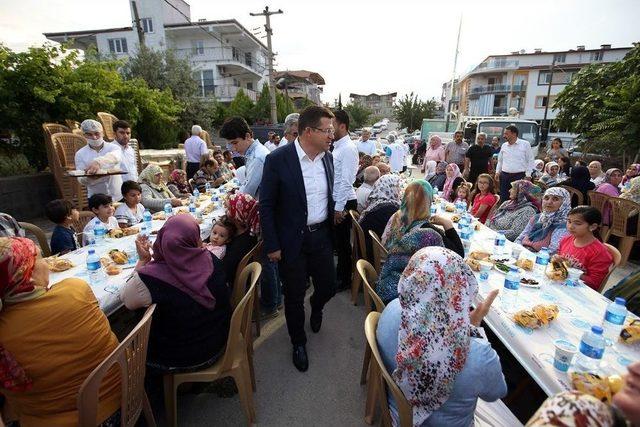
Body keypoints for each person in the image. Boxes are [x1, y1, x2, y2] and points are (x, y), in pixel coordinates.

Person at [377, 247, 505, 427]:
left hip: (396, 413)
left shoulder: (391, 309)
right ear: (461, 289)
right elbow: (496, 393)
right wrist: (474, 329)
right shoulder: (478, 353)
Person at [0, 237, 121, 425]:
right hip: (124, 398)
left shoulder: (5, 331)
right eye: (40, 258)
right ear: (27, 273)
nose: (47, 264)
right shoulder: (75, 289)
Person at [259, 106, 336, 372]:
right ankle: (298, 342)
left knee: (328, 286)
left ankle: (316, 306)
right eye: (327, 131)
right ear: (308, 131)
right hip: (292, 241)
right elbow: (266, 206)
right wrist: (272, 244)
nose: (331, 136)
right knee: (293, 296)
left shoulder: (328, 158)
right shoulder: (278, 159)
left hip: (321, 236)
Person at [120, 215, 231, 371]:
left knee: (132, 324)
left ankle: (156, 389)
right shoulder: (211, 259)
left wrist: (143, 261)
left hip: (185, 355)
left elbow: (126, 299)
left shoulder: (150, 278)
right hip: (220, 338)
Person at [378, 181, 462, 304]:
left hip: (388, 272)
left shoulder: (398, 215)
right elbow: (457, 256)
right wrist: (447, 224)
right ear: (429, 201)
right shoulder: (427, 232)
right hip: (407, 287)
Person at [331, 110, 359, 291]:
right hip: (338, 200)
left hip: (345, 201)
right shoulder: (338, 146)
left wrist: (339, 208)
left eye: (332, 125)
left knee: (342, 244)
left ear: (342, 126)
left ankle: (344, 279)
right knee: (338, 243)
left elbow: (346, 180)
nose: (329, 130)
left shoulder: (348, 148)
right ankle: (340, 274)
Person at [556, 206, 613, 291]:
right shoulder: (566, 240)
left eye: (577, 223)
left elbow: (595, 283)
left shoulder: (600, 252)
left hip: (579, 291)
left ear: (593, 227)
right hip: (561, 284)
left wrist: (569, 271)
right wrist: (557, 261)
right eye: (569, 221)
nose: (571, 226)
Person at [220, 116, 270, 199]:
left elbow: (247, 193)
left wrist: (232, 198)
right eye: (230, 144)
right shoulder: (253, 153)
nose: (233, 148)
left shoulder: (257, 157)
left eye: (235, 143)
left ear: (247, 136)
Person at [74, 119, 123, 201]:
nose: (94, 137)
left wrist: (98, 162)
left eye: (97, 133)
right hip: (96, 198)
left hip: (117, 196)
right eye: (89, 134)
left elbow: (114, 157)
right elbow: (80, 178)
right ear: (84, 135)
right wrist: (90, 178)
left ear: (102, 133)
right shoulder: (80, 154)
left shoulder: (114, 148)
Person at [221, 193, 260, 288]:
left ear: (238, 215)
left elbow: (224, 272)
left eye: (229, 209)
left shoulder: (240, 245)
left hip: (234, 284)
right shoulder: (248, 230)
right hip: (242, 278)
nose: (226, 211)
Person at [515, 187, 571, 254]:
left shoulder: (564, 225)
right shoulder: (537, 217)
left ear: (564, 203)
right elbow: (520, 238)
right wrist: (517, 249)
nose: (549, 202)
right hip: (521, 253)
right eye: (546, 198)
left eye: (555, 199)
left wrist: (526, 255)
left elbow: (553, 251)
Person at [359, 174, 402, 259]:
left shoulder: (379, 201)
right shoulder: (389, 208)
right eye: (397, 187)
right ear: (390, 187)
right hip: (373, 254)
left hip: (366, 246)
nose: (399, 190)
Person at [495, 124, 534, 204]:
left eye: (506, 134)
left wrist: (528, 175)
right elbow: (500, 161)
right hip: (505, 176)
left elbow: (530, 160)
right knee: (504, 197)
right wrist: (497, 172)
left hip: (519, 176)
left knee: (518, 198)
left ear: (514, 134)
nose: (504, 136)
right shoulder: (504, 145)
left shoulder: (525, 144)